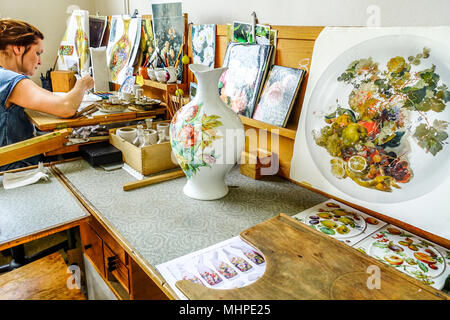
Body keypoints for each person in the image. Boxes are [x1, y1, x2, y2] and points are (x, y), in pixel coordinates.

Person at [0, 19, 94, 171]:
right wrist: (82, 84)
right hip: (15, 170)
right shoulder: (8, 79)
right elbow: (66, 107)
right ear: (18, 48)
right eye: (37, 53)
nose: (40, 61)